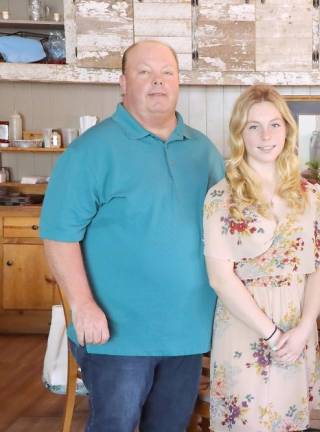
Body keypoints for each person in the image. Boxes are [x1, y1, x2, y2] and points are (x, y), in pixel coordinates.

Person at [40, 40, 225, 431]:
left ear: (178, 82)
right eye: (144, 73)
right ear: (123, 83)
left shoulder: (203, 151)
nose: (157, 82)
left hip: (187, 331)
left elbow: (228, 229)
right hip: (116, 333)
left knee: (171, 426)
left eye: (167, 73)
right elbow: (59, 236)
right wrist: (83, 305)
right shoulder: (90, 152)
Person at [203, 84, 320, 431]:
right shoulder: (221, 196)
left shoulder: (310, 195)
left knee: (290, 424)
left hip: (296, 327)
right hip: (246, 327)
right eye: (253, 126)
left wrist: (304, 328)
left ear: (287, 129)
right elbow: (219, 277)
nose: (265, 135)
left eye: (274, 124)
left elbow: (317, 270)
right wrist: (272, 335)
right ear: (239, 133)